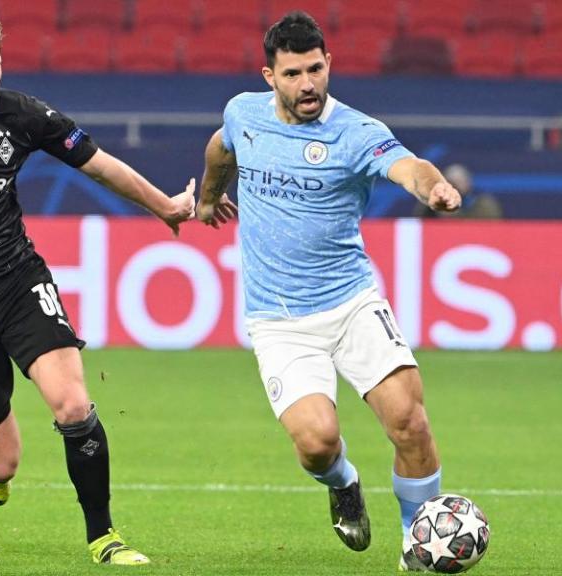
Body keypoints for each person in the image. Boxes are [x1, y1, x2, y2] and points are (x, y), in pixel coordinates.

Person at [0, 5, 195, 566]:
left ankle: (104, 536)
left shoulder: (21, 115)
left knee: (72, 403)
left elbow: (98, 165)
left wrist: (163, 205)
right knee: (2, 463)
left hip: (14, 278)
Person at [195, 12, 460, 572]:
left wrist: (431, 186)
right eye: (293, 74)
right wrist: (206, 198)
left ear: (329, 63)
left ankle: (417, 542)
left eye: (316, 69)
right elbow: (221, 148)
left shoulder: (357, 132)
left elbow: (407, 166)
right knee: (317, 443)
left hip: (351, 302)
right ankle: (344, 483)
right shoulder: (243, 113)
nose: (308, 84)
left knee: (409, 421)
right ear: (270, 76)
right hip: (279, 320)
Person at [412, 163, 503, 219]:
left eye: (459, 182)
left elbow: (492, 225)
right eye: (451, 182)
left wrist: (452, 211)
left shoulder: (483, 203)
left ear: (468, 183)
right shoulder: (435, 200)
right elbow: (419, 221)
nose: (455, 186)